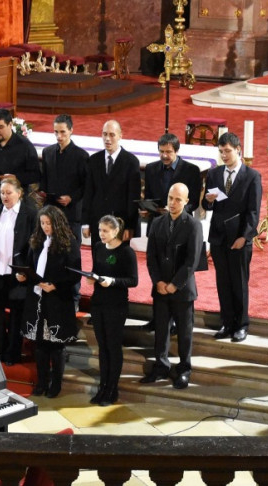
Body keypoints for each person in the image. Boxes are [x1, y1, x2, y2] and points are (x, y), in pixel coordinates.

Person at [140, 183, 204, 390]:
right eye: (170, 198)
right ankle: (161, 366)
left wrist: (175, 284)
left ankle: (184, 369)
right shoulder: (157, 222)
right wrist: (158, 281)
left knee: (184, 333)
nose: (173, 203)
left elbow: (192, 261)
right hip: (160, 289)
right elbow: (151, 257)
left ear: (186, 202)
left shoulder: (193, 225)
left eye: (178, 199)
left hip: (182, 290)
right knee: (161, 330)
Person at [203, 132, 262, 343]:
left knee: (239, 282)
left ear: (238, 150)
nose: (224, 155)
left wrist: (244, 237)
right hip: (219, 237)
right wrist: (209, 200)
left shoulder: (252, 176)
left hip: (239, 238)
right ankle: (227, 323)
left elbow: (253, 212)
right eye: (221, 151)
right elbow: (206, 205)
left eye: (227, 151)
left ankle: (242, 325)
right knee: (223, 282)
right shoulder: (214, 174)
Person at [140, 133, 202, 333]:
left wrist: (176, 209)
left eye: (168, 152)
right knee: (157, 270)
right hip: (158, 227)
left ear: (177, 151)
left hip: (181, 230)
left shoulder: (191, 171)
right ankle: (158, 318)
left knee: (178, 272)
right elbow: (150, 197)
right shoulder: (151, 169)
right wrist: (148, 209)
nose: (164, 155)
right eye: (161, 152)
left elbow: (194, 202)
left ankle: (176, 320)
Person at [19, 206, 82, 398]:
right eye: (43, 223)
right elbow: (30, 266)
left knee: (56, 346)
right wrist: (23, 275)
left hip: (57, 300)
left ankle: (56, 384)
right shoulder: (37, 241)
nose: (45, 227)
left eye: (49, 223)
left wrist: (55, 285)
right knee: (40, 345)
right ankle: (42, 382)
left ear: (57, 223)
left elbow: (75, 275)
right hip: (38, 299)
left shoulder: (69, 243)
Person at [0, 177, 37, 366]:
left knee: (15, 316)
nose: (5, 196)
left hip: (17, 274)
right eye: (2, 193)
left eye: (8, 193)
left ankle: (12, 353)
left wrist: (26, 271)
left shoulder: (30, 214)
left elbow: (34, 246)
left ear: (19, 193)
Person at [87, 215, 138, 405]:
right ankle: (103, 386)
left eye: (105, 231)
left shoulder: (127, 252)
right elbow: (96, 270)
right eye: (100, 230)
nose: (101, 234)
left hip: (116, 305)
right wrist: (92, 277)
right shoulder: (98, 247)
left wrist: (113, 281)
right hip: (98, 302)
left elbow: (133, 280)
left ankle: (112, 389)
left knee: (113, 347)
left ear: (116, 231)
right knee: (102, 347)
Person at [40, 113, 88, 308]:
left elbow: (86, 185)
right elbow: (44, 179)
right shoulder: (48, 152)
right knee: (51, 256)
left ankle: (74, 299)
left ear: (71, 131)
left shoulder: (81, 156)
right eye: (56, 132)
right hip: (51, 212)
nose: (59, 136)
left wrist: (72, 198)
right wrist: (43, 193)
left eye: (62, 132)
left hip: (71, 214)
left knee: (71, 258)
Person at [0, 108, 41, 218]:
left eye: (1, 127)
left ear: (10, 125)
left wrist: (16, 178)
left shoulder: (25, 146)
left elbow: (35, 175)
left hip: (13, 207)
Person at [82, 120, 141, 246]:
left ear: (120, 135)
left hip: (119, 225)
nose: (107, 139)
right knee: (98, 257)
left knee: (117, 257)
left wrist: (130, 226)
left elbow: (133, 198)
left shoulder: (131, 162)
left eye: (112, 135)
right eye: (104, 134)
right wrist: (85, 223)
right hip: (98, 223)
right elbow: (88, 193)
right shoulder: (93, 160)